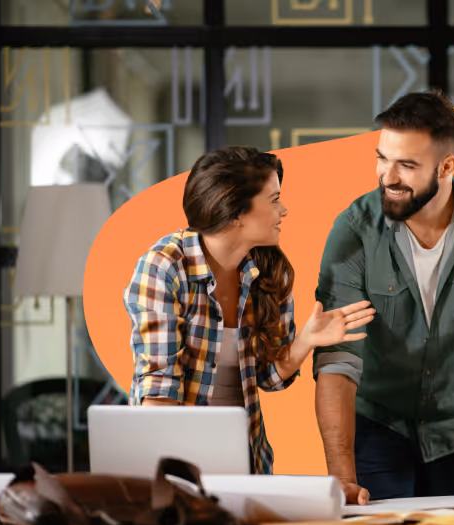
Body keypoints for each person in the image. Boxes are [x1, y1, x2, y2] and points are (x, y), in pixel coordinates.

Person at [313, 90, 454, 504]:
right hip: (377, 423)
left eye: (406, 164)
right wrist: (342, 477)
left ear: (447, 166)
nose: (387, 176)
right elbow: (337, 357)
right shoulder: (353, 229)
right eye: (382, 157)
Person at [124, 146, 375, 475]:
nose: (283, 210)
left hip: (246, 465)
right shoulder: (165, 268)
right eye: (274, 200)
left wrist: (306, 341)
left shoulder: (271, 271)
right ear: (236, 212)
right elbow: (158, 393)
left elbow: (268, 379)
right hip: (173, 464)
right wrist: (174, 483)